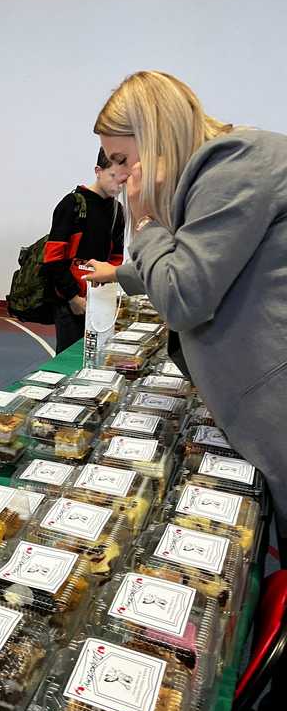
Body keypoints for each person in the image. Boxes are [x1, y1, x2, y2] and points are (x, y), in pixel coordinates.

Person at [84, 71, 287, 565]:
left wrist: (145, 220)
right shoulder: (223, 166)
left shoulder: (234, 163)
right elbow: (200, 252)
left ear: (153, 138)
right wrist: (125, 273)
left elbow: (182, 295)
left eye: (121, 159)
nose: (121, 174)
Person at [42, 148, 128, 353]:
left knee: (99, 355)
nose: (119, 184)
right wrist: (73, 298)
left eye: (123, 179)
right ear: (98, 171)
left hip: (100, 299)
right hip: (70, 302)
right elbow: (53, 259)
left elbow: (116, 257)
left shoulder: (118, 210)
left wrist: (108, 289)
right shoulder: (72, 204)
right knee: (69, 358)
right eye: (113, 176)